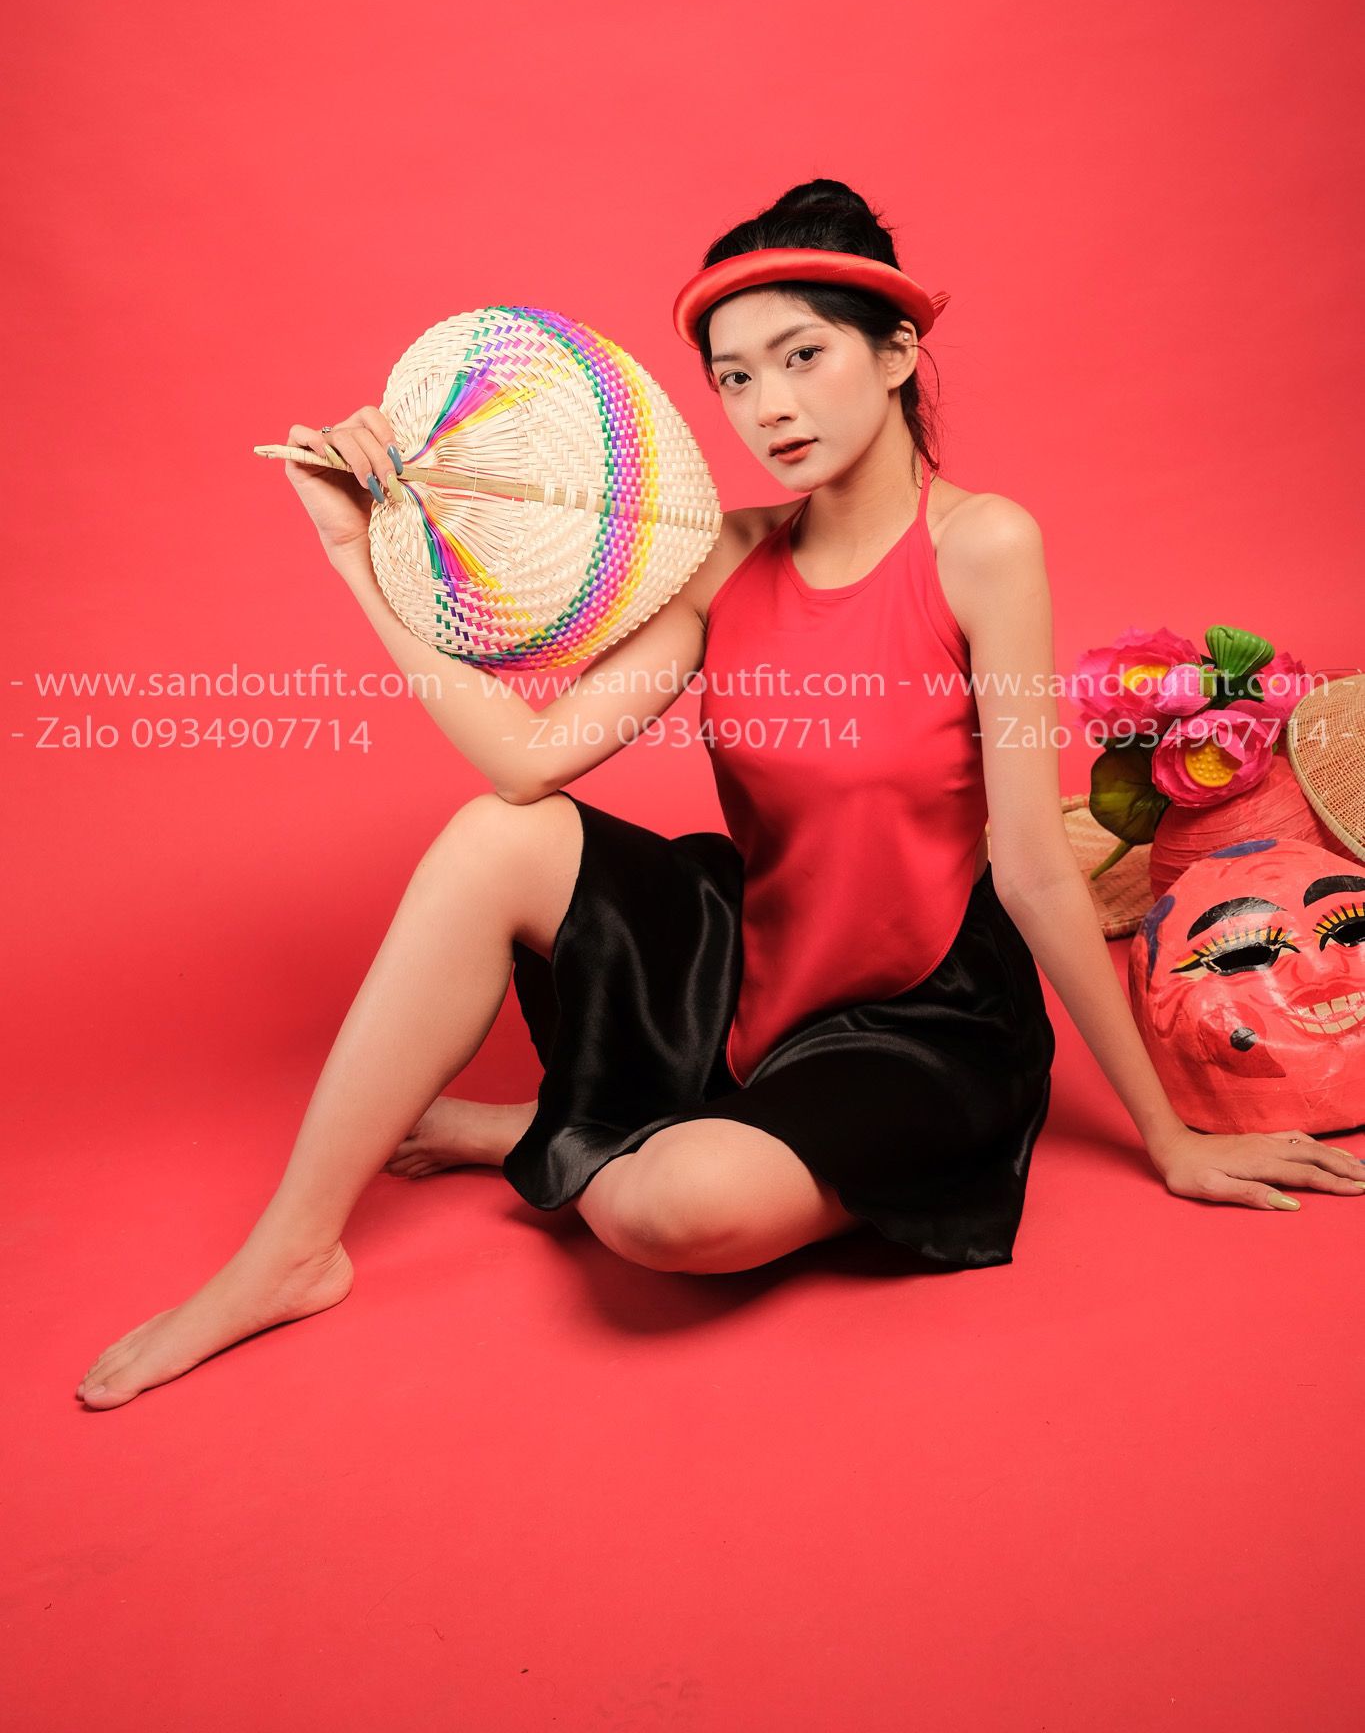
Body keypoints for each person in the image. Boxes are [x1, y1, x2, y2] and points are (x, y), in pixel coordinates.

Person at [76, 178, 1365, 1409]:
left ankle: (546, 1126)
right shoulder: (722, 556)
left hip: (919, 1012)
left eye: (803, 356)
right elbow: (525, 764)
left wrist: (1168, 1137)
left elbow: (1031, 866)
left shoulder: (984, 545)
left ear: (898, 352)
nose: (769, 406)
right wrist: (357, 555)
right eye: (735, 378)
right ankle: (292, 1252)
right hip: (750, 954)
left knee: (670, 1213)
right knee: (493, 836)